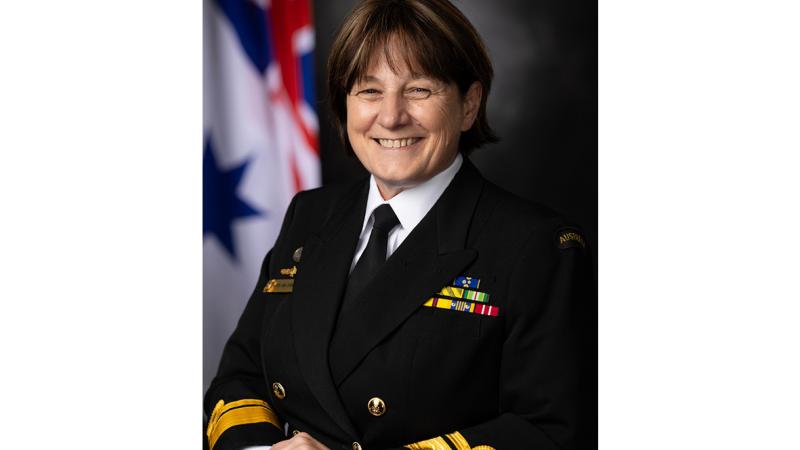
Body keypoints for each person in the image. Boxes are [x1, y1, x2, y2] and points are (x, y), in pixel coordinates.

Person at [204, 1, 594, 449]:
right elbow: (241, 374)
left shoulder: (538, 248)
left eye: (420, 90)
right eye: (369, 91)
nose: (390, 117)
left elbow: (549, 431)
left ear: (469, 105)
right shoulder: (309, 215)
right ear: (344, 102)